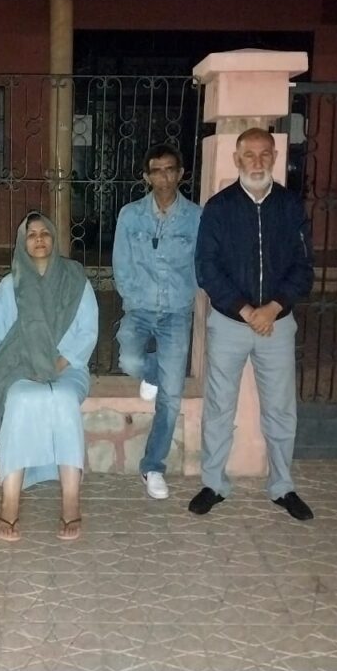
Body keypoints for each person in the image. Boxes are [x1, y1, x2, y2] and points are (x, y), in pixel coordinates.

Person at [191, 127, 316, 521]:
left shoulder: (290, 206)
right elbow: (206, 268)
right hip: (230, 323)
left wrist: (273, 308)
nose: (257, 162)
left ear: (275, 157)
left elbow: (304, 267)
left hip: (277, 324)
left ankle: (282, 486)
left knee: (280, 410)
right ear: (237, 159)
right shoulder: (219, 208)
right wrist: (247, 311)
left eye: (265, 154)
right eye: (249, 154)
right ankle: (213, 483)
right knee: (219, 407)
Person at [0, 212, 98, 542]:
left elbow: (87, 332)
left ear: (54, 238)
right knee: (19, 397)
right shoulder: (9, 285)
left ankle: (71, 499)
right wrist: (27, 365)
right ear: (22, 242)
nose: (39, 239)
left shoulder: (75, 279)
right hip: (21, 368)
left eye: (45, 233)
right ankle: (10, 499)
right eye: (31, 234)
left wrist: (58, 362)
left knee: (64, 398)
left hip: (68, 367)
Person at [112, 143, 202, 500]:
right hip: (139, 308)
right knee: (128, 359)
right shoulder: (131, 215)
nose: (163, 176)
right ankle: (152, 373)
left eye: (169, 169)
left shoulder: (196, 217)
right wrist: (134, 298)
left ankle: (152, 466)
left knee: (171, 395)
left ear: (180, 174)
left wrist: (186, 295)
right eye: (156, 170)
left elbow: (201, 263)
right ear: (146, 177)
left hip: (177, 313)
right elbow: (121, 264)